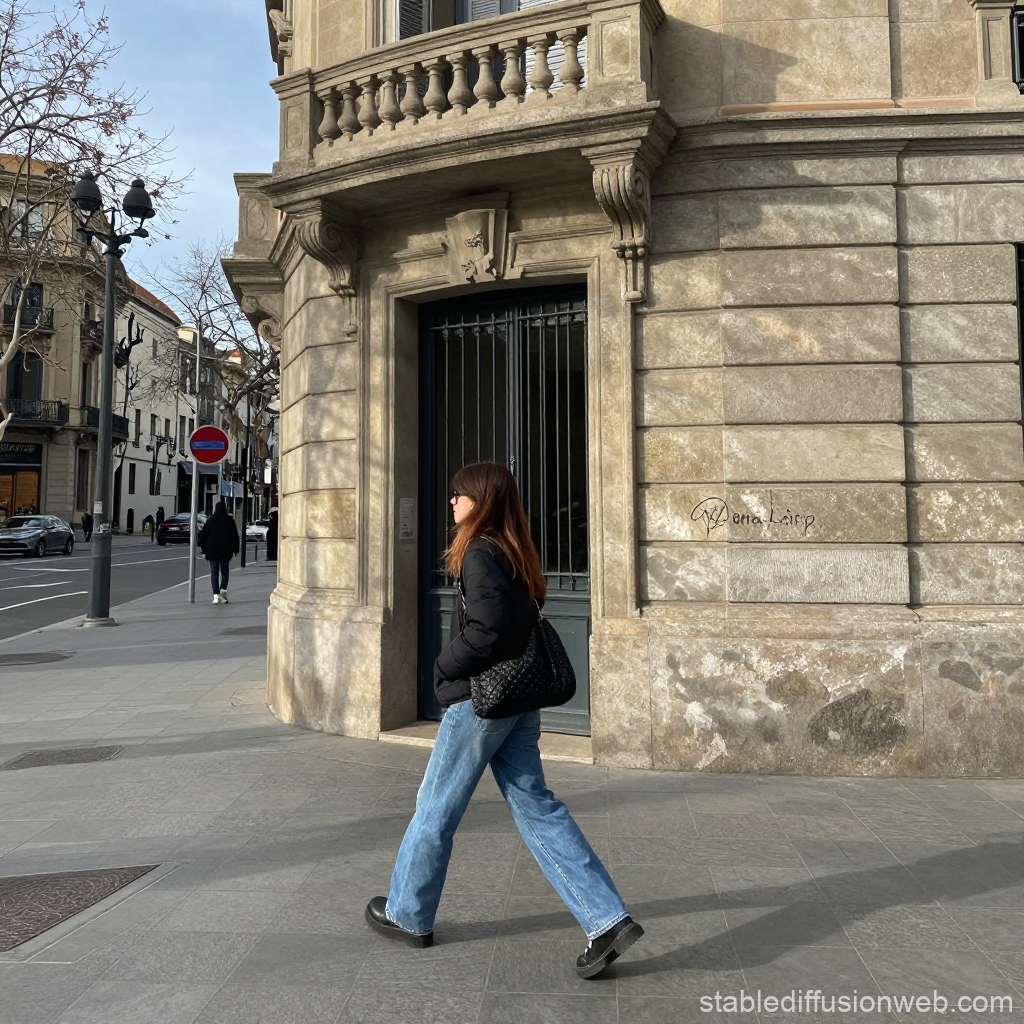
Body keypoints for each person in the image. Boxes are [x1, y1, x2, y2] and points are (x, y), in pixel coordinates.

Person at [365, 461, 642, 979]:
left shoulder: (479, 551)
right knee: (538, 807)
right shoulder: (515, 548)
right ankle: (607, 920)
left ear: (481, 500)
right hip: (518, 700)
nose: (451, 503)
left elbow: (489, 629)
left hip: (483, 701)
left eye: (459, 495)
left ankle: (408, 914)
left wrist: (444, 666)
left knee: (435, 807)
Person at [197, 500, 239, 605]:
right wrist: (235, 549)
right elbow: (234, 536)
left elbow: (203, 534)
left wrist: (200, 544)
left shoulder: (211, 520)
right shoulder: (229, 520)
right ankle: (223, 594)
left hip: (212, 551)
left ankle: (215, 595)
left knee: (214, 574)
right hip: (225, 551)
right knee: (224, 573)